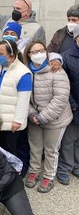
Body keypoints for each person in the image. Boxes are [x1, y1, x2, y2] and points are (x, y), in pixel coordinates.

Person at [23, 41, 72, 193]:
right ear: (28, 55)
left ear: (46, 51)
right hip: (34, 118)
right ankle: (34, 171)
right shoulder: (26, 72)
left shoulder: (56, 70)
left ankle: (49, 177)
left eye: (41, 50)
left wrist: (43, 117)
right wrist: (32, 114)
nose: (38, 54)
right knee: (35, 147)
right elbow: (24, 96)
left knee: (51, 149)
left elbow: (61, 98)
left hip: (55, 118)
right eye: (34, 52)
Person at [0, 40, 32, 158]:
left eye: (0, 53)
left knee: (9, 152)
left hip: (10, 122)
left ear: (11, 55)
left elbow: (23, 100)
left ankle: (11, 175)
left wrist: (17, 121)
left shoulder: (23, 73)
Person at [56, 25, 79, 185]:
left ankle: (76, 166)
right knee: (69, 140)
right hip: (73, 106)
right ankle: (64, 168)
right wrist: (73, 104)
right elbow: (64, 85)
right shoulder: (66, 57)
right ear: (76, 39)